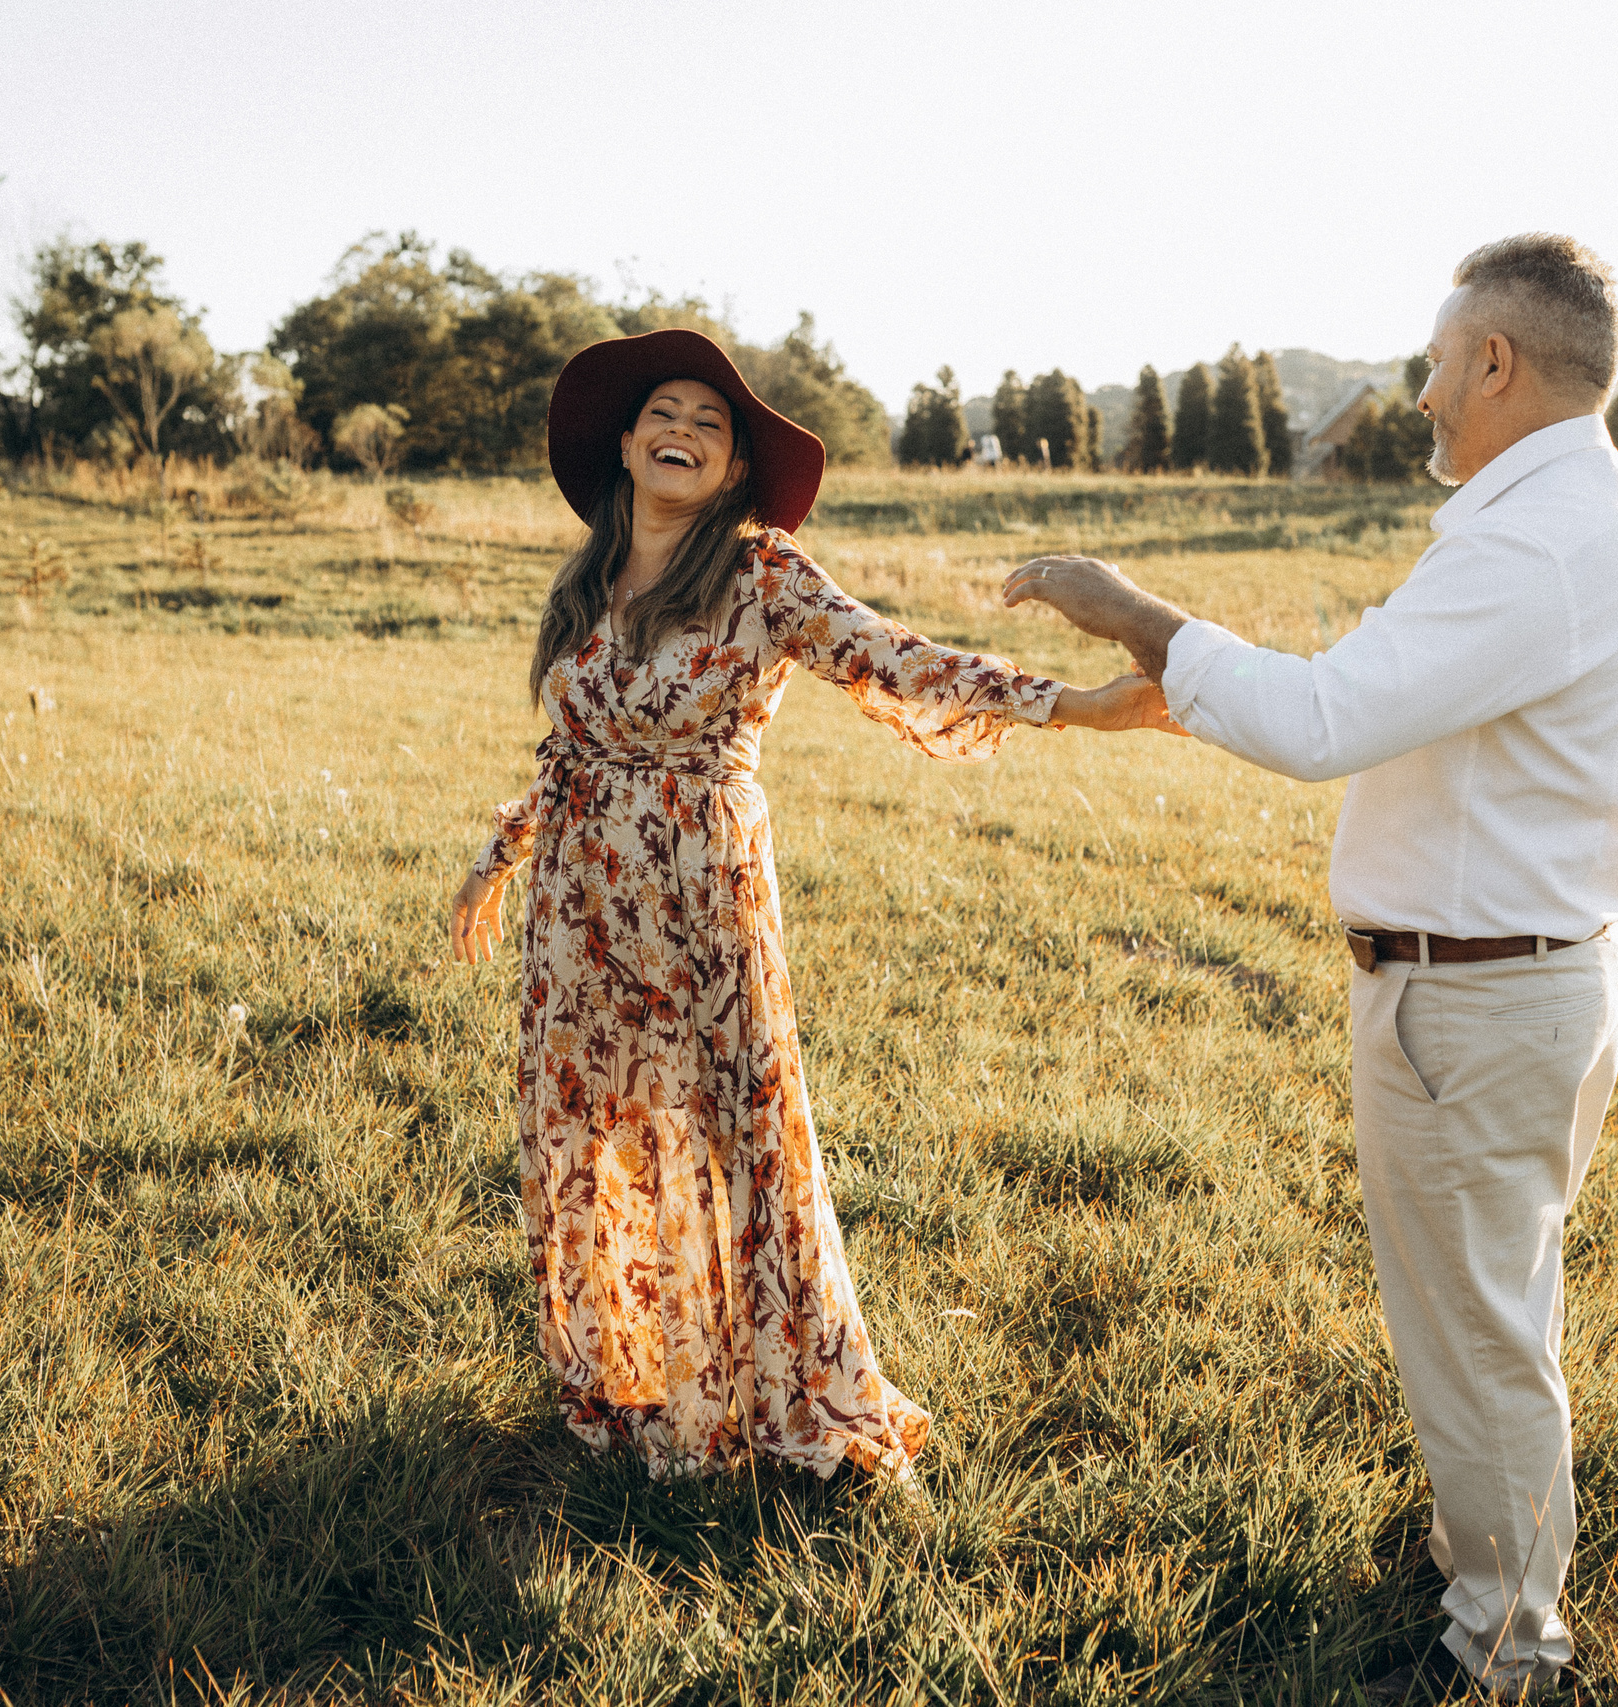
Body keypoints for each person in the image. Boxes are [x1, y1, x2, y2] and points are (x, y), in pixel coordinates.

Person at [1003, 235, 1618, 1699]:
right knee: (1498, 1300)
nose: (1424, 391)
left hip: (1473, 994)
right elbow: (1390, 703)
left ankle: (1504, 1647)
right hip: (1537, 969)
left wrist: (1137, 611)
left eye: (1439, 362)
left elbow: (1326, 720)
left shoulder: (1535, 538)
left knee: (1477, 1327)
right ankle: (1488, 1557)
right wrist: (1194, 692)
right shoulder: (1609, 513)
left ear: (1496, 360)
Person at [450, 328, 1168, 1482]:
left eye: (710, 423)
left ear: (734, 468)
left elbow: (894, 657)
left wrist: (1073, 703)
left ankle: (767, 1394)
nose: (682, 432)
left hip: (700, 898)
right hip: (577, 913)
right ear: (624, 446)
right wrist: (501, 853)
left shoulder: (761, 576)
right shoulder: (584, 585)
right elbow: (572, 746)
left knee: (730, 1132)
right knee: (593, 1135)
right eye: (662, 414)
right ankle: (632, 1375)